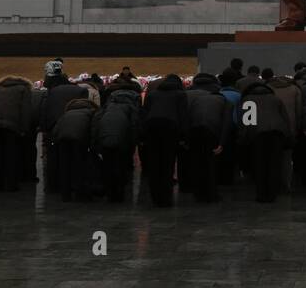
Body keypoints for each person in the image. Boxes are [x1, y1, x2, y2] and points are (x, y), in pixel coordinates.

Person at [237, 79, 294, 202]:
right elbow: (285, 118)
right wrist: (288, 135)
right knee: (274, 164)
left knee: (260, 165)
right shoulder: (275, 99)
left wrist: (243, 138)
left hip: (258, 135)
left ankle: (262, 194)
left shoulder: (248, 100)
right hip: (277, 134)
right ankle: (272, 194)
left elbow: (247, 122)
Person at [141, 73, 189, 206]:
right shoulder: (180, 95)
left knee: (154, 164)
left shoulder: (152, 94)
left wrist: (143, 136)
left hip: (152, 128)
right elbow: (183, 116)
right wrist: (184, 137)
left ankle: (155, 197)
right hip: (170, 128)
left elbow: (144, 114)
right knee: (167, 163)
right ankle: (166, 198)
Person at [39, 65, 86, 193]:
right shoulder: (79, 90)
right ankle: (75, 184)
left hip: (54, 128)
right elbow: (85, 109)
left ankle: (54, 185)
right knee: (76, 157)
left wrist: (44, 128)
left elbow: (44, 110)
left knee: (54, 158)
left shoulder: (51, 92)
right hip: (75, 128)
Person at [186, 71, 232, 202]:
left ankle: (198, 193)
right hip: (211, 131)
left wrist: (186, 138)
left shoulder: (197, 99)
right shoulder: (224, 100)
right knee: (210, 164)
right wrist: (221, 143)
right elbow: (226, 124)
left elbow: (189, 117)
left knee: (197, 163)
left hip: (195, 130)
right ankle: (211, 194)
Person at [93, 80, 141, 201]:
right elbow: (134, 125)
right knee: (121, 166)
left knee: (108, 165)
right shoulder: (131, 107)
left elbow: (97, 121)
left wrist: (96, 142)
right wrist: (134, 143)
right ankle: (119, 194)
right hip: (122, 139)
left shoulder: (107, 106)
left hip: (105, 137)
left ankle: (110, 192)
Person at [0, 76, 35, 194]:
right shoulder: (23, 89)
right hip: (13, 126)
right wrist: (25, 129)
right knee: (12, 155)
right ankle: (10, 184)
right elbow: (26, 109)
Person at [51, 93, 97, 202]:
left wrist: (54, 141)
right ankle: (80, 194)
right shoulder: (91, 112)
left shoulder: (67, 113)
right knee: (80, 166)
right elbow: (94, 129)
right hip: (80, 139)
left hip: (63, 139)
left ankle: (65, 195)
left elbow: (57, 128)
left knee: (64, 167)